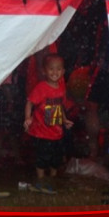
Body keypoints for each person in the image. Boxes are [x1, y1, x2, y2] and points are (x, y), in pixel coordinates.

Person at [24, 54, 74, 194]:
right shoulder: (42, 87)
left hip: (57, 132)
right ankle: (41, 179)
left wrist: (64, 120)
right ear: (44, 71)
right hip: (42, 132)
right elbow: (29, 102)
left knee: (56, 158)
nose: (54, 72)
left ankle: (52, 178)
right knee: (42, 156)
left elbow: (60, 106)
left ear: (63, 72)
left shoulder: (61, 87)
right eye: (51, 69)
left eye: (58, 69)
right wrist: (28, 118)